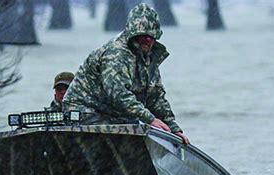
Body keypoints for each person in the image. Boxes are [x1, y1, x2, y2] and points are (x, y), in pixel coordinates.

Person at [63, 3, 190, 144]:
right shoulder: (116, 54)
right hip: (84, 113)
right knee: (131, 136)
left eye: (151, 35)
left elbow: (156, 97)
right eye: (142, 35)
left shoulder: (148, 58)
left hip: (113, 116)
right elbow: (118, 94)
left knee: (135, 133)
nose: (147, 39)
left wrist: (173, 128)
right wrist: (150, 119)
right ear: (133, 34)